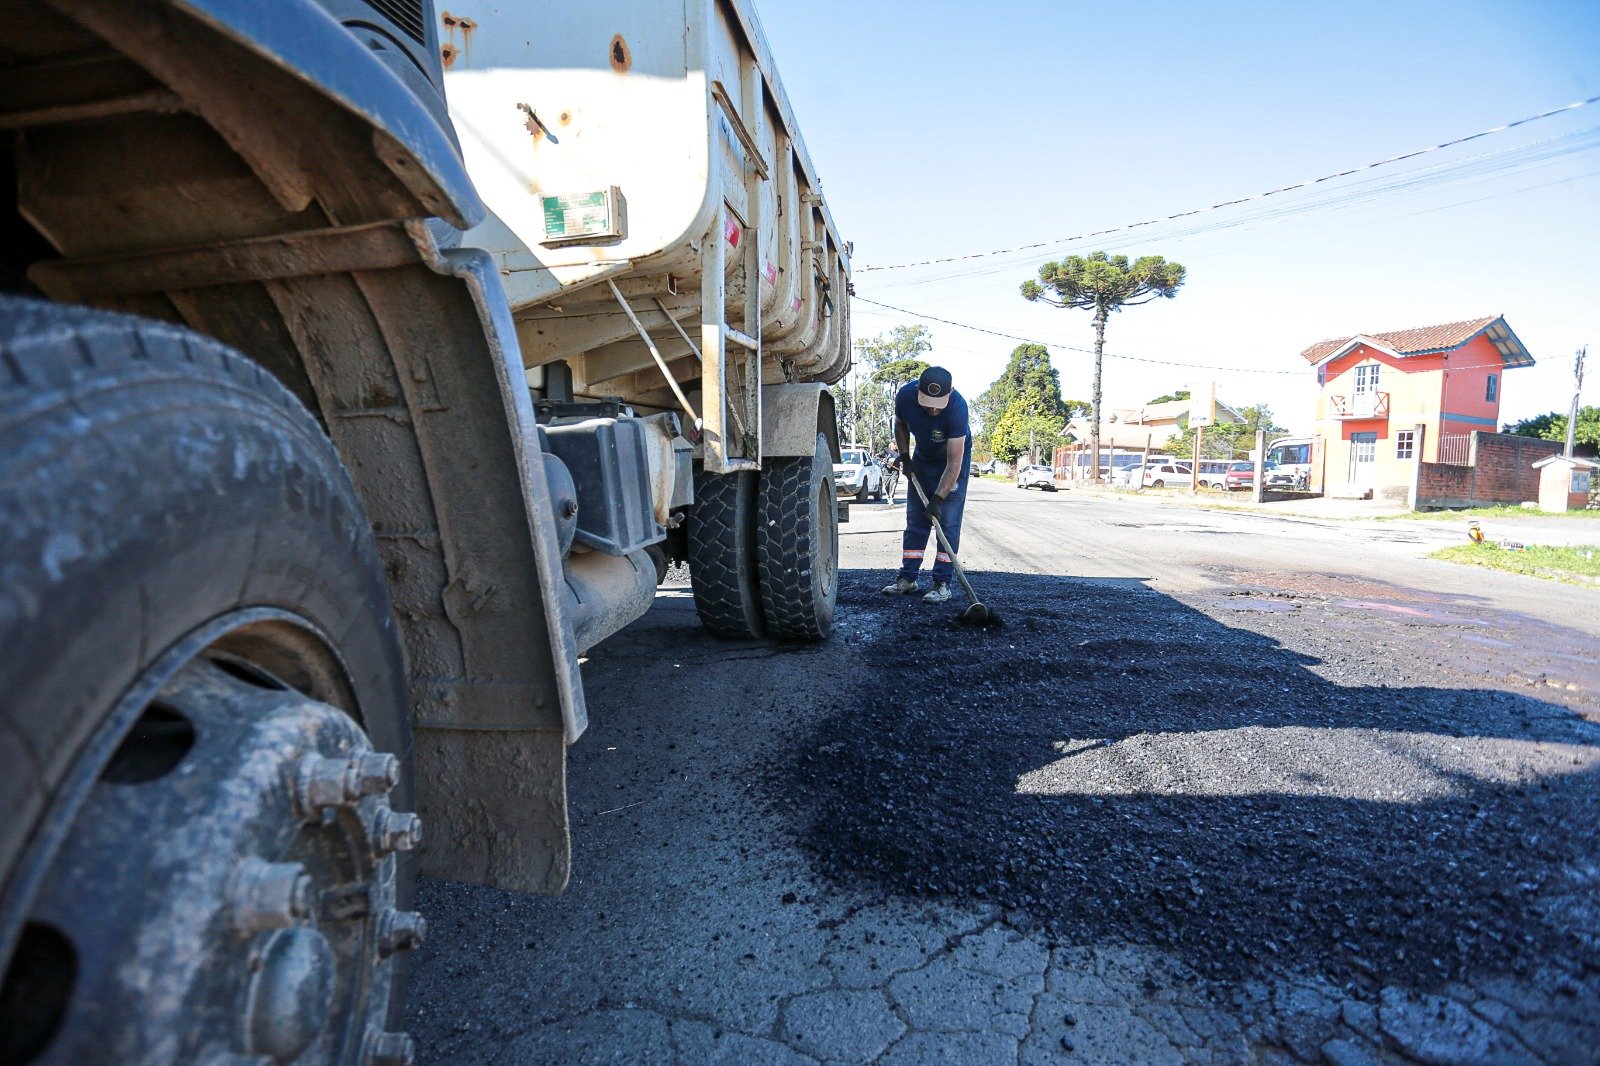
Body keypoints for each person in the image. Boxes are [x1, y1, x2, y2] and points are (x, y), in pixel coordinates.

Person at [882, 366, 970, 603]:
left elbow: (954, 464)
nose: (933, 409)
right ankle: (908, 578)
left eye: (938, 404)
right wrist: (905, 456)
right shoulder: (905, 396)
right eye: (928, 402)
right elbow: (900, 425)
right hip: (922, 458)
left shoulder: (958, 408)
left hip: (952, 462)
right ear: (918, 391)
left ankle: (942, 583)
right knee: (916, 521)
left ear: (950, 393)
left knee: (947, 523)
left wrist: (938, 499)